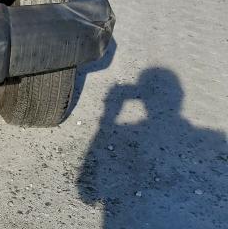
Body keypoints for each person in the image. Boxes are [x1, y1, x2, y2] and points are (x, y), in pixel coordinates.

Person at [77, 68, 227, 228]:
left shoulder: (123, 129)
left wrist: (109, 114)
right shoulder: (214, 138)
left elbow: (86, 195)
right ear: (180, 97)